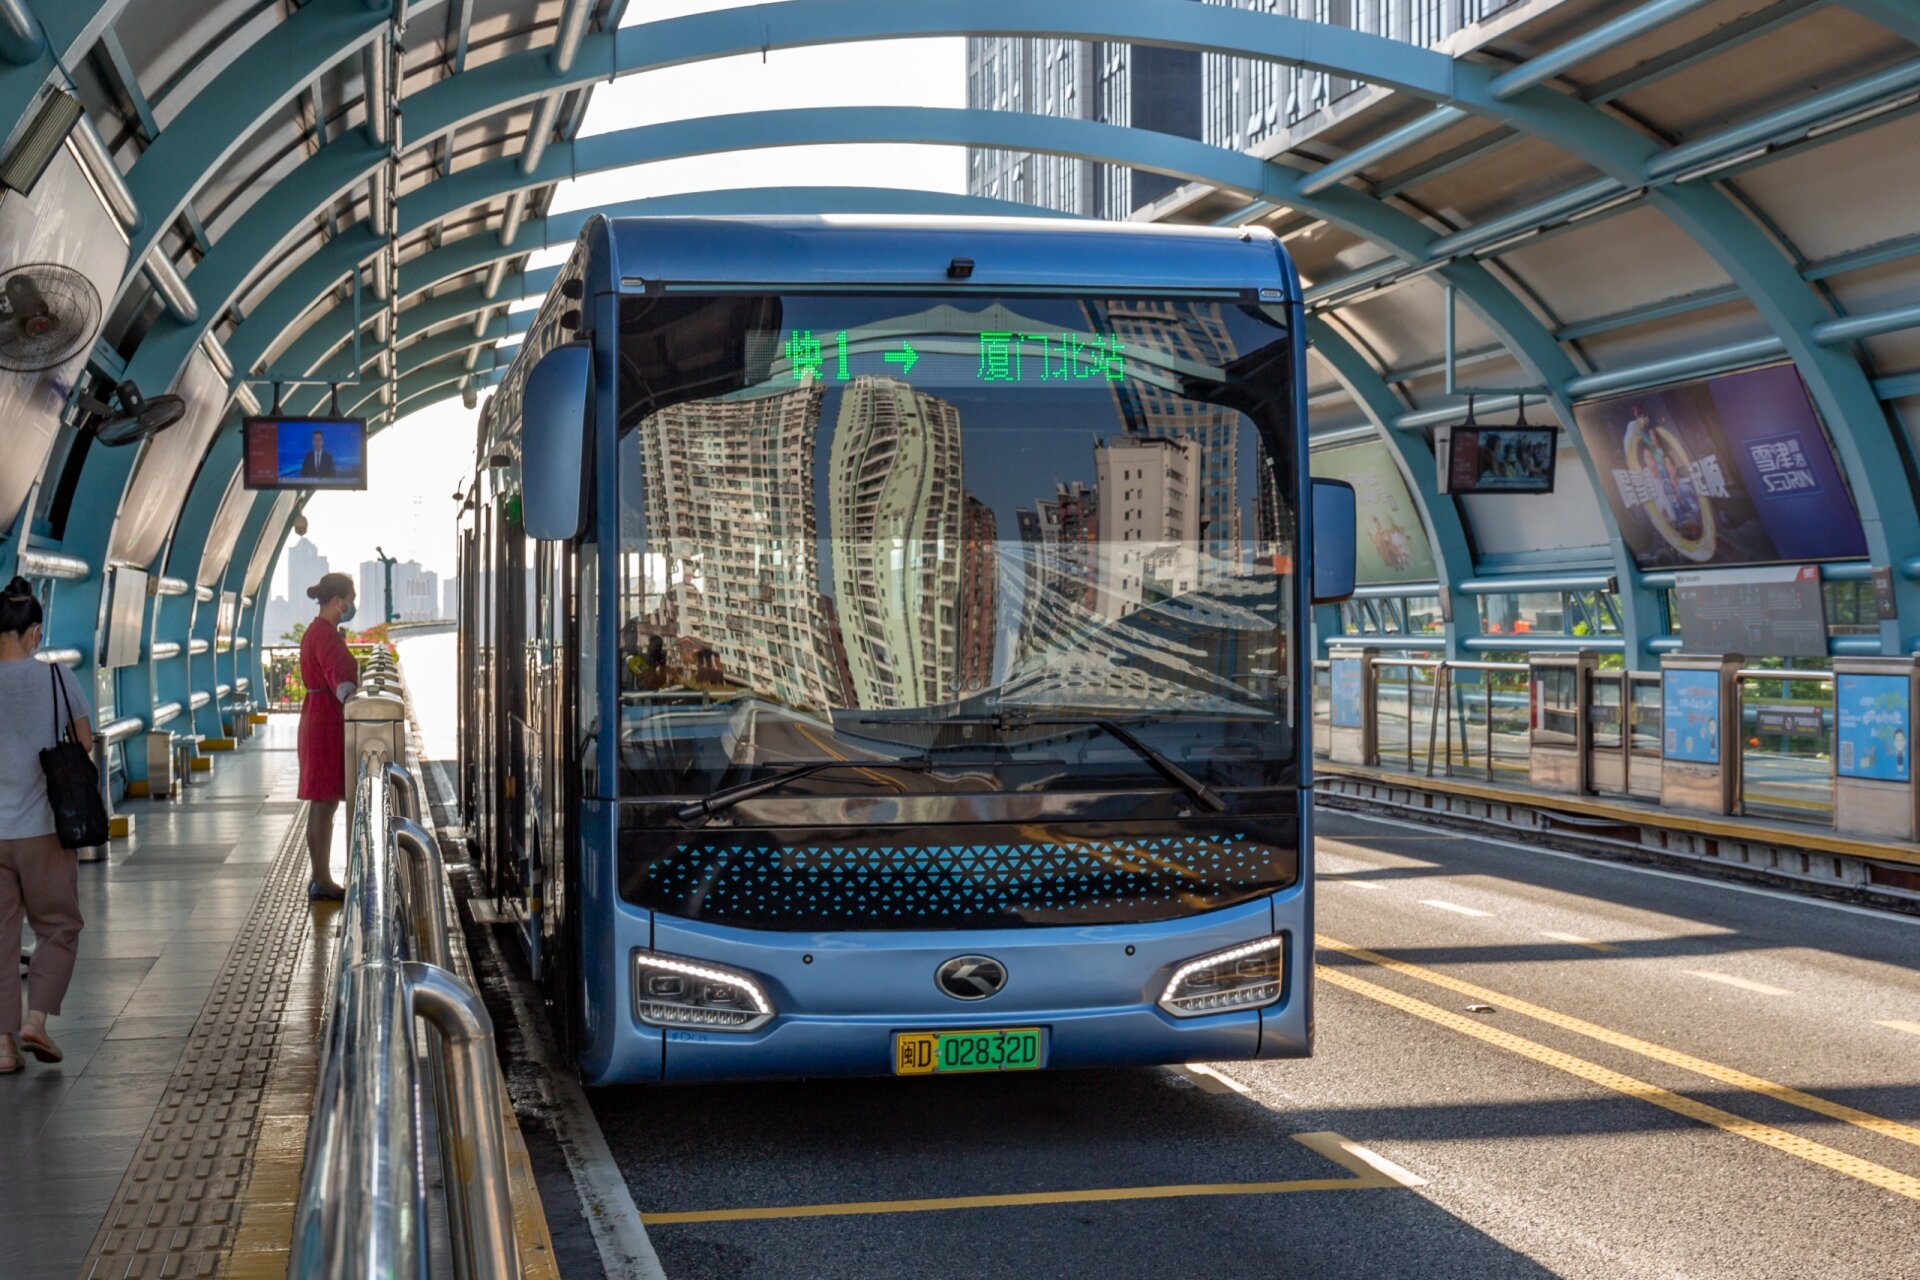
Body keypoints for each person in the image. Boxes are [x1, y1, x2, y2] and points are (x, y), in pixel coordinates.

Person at [0, 576, 92, 1073]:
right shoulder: (57, 677)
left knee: (0, 934)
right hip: (42, 827)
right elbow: (84, 743)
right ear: (35, 632)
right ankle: (35, 1019)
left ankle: (2, 1047)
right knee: (58, 924)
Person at [298, 573, 359, 900]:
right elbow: (343, 684)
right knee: (323, 803)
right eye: (351, 597)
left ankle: (319, 875)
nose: (352, 605)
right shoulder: (325, 636)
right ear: (338, 601)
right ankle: (321, 877)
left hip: (317, 716)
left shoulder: (319, 631)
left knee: (322, 803)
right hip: (324, 722)